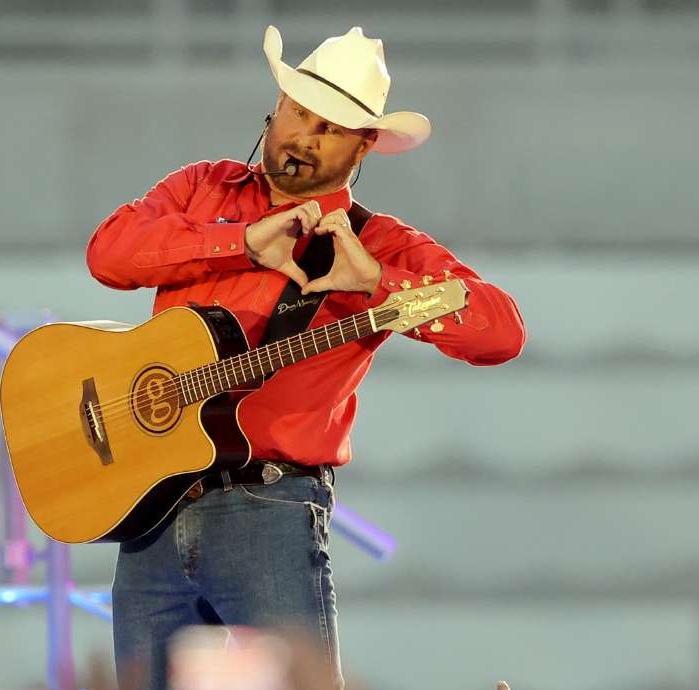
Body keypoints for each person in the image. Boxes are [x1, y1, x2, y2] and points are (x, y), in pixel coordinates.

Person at [85, 25, 526, 690]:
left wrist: (377, 283)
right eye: (298, 113)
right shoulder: (203, 189)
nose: (303, 136)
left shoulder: (378, 243)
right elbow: (110, 254)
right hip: (153, 504)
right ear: (276, 105)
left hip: (271, 508)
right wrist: (237, 242)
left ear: (364, 146)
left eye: (329, 128)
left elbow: (499, 332)